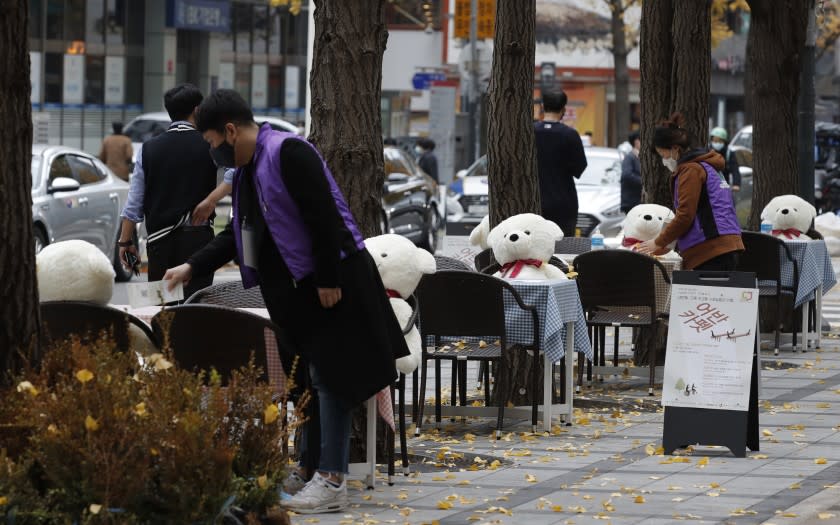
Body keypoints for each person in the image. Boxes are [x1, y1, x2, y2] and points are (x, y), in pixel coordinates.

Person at [161, 89, 408, 514]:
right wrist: (190, 266)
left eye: (211, 143)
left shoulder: (289, 153)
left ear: (231, 131)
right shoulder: (245, 172)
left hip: (331, 283)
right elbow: (237, 235)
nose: (212, 153)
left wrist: (328, 280)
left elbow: (325, 216)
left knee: (330, 379)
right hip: (293, 294)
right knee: (307, 381)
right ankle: (308, 468)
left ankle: (332, 480)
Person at [117, 84, 219, 299]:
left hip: (159, 243)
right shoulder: (211, 143)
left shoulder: (149, 148)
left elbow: (134, 202)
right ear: (197, 110)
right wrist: (213, 199)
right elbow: (234, 174)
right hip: (199, 241)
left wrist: (126, 242)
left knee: (163, 311)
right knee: (198, 309)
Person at [636, 113, 744, 270]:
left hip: (711, 250)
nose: (663, 159)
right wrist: (667, 243)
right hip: (725, 245)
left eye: (663, 154)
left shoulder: (690, 171)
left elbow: (685, 215)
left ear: (675, 149)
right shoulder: (707, 166)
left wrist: (658, 242)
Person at [534, 90, 588, 236]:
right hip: (563, 202)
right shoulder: (570, 135)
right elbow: (579, 168)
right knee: (563, 246)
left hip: (533, 200)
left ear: (543, 106)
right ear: (563, 108)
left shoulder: (530, 131)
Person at [708, 126, 741, 192]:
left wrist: (736, 184)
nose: (717, 143)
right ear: (711, 140)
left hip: (724, 184)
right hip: (708, 184)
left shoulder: (729, 153)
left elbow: (735, 170)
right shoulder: (707, 152)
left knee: (728, 200)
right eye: (715, 140)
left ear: (724, 142)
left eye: (720, 141)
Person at [620, 131, 642, 213]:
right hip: (631, 202)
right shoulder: (630, 157)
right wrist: (643, 181)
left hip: (637, 202)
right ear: (636, 142)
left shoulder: (639, 157)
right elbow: (627, 175)